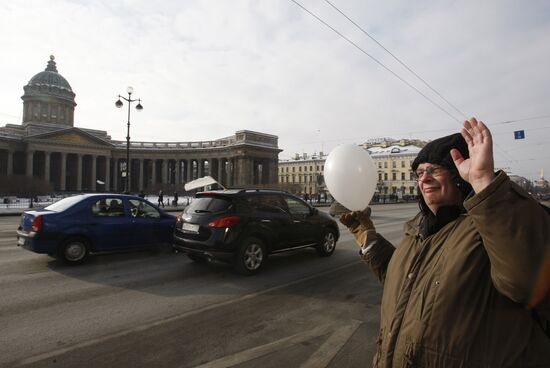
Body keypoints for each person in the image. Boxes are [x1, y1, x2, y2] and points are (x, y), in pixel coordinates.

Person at [339, 117, 550, 367]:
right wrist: (367, 236)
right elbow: (408, 283)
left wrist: (483, 182)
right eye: (419, 172)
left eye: (435, 170)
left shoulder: (494, 224)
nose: (424, 179)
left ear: (461, 175)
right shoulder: (418, 228)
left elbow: (528, 281)